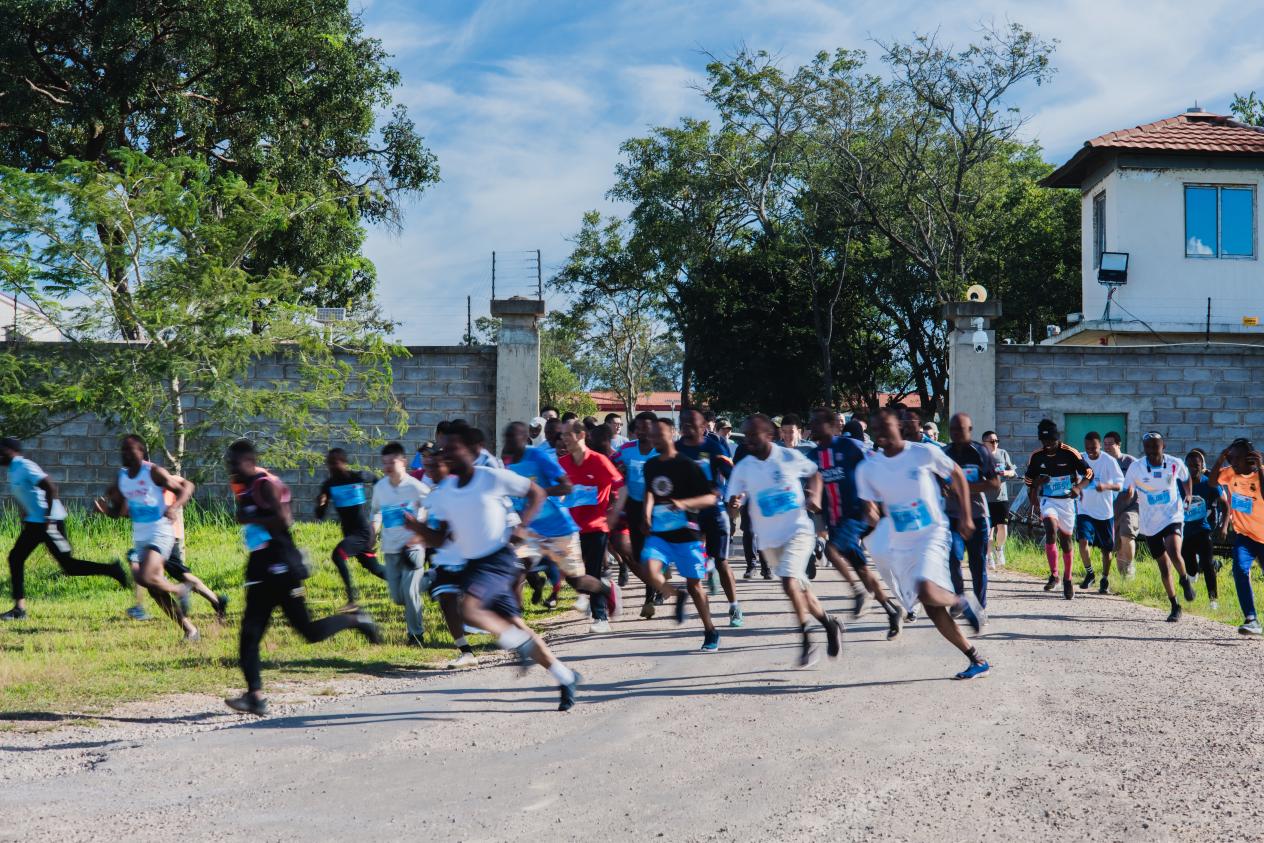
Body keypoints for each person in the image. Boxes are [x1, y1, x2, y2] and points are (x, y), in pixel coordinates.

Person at [407, 422, 583, 711]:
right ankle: (565, 676)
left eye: (453, 449)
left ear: (473, 450)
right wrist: (417, 528)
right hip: (474, 564)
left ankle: (519, 645)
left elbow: (537, 493)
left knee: (470, 611)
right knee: (518, 626)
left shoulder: (490, 477)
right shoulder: (446, 490)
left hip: (498, 559)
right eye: (444, 449)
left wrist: (523, 525)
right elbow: (442, 538)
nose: (446, 454)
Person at [225, 439, 381, 717]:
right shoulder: (245, 485)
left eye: (235, 464)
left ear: (249, 462)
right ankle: (255, 696)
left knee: (308, 632)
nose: (231, 469)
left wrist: (250, 517)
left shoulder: (264, 484)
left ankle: (355, 620)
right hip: (259, 565)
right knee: (249, 634)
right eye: (229, 464)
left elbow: (283, 520)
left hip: (282, 565)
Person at [855, 408, 989, 680]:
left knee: (925, 589)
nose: (880, 432)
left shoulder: (922, 453)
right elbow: (869, 507)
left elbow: (957, 475)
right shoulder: (868, 468)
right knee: (932, 609)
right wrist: (870, 519)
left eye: (885, 425)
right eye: (875, 428)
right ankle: (977, 659)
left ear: (899, 426)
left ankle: (963, 602)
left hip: (932, 534)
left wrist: (966, 515)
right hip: (901, 544)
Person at [728, 414, 842, 666]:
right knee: (802, 591)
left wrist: (814, 496)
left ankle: (806, 639)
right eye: (746, 436)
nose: (748, 440)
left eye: (753, 435)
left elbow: (815, 474)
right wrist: (734, 505)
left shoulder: (788, 457)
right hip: (769, 540)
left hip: (798, 531)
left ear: (770, 436)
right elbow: (734, 501)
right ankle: (829, 624)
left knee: (789, 582)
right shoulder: (744, 467)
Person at [501, 421, 614, 629]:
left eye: (513, 437)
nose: (508, 442)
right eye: (506, 437)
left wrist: (540, 493)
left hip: (559, 529)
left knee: (577, 581)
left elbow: (567, 486)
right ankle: (517, 628)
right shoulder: (506, 459)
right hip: (530, 529)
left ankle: (605, 589)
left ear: (525, 439)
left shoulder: (538, 456)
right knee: (516, 571)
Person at [0, 437, 127, 620]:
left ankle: (113, 570)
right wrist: (25, 514)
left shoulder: (25, 466)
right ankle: (19, 609)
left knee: (69, 566)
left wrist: (48, 518)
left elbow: (50, 487)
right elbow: (27, 493)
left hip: (50, 523)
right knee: (15, 558)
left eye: (1, 450)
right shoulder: (13, 470)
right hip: (35, 524)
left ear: (11, 450)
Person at [806, 408, 902, 638]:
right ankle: (892, 610)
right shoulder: (813, 456)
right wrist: (812, 499)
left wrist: (875, 503)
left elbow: (874, 467)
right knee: (862, 569)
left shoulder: (849, 447)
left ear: (831, 425)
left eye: (817, 422)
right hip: (835, 520)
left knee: (830, 550)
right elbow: (812, 484)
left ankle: (859, 592)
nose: (812, 426)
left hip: (856, 514)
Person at [94, 435, 201, 639]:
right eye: (123, 450)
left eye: (130, 450)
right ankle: (190, 630)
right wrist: (106, 510)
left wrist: (174, 507)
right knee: (154, 589)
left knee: (144, 577)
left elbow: (187, 488)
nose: (126, 454)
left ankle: (180, 589)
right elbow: (119, 512)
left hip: (160, 532)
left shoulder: (152, 472)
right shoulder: (122, 478)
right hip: (140, 537)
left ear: (141, 452)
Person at [641, 417, 721, 651]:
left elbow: (710, 498)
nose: (655, 439)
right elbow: (649, 492)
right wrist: (646, 513)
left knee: (695, 586)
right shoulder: (651, 465)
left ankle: (710, 631)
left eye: (659, 435)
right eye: (652, 435)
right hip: (660, 533)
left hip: (687, 534)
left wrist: (684, 504)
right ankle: (677, 595)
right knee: (649, 570)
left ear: (672, 434)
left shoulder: (687, 465)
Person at [1118, 431, 1197, 622]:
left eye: (1156, 446)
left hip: (1172, 515)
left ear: (1163, 446)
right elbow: (1127, 491)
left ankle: (1184, 579)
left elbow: (1186, 478)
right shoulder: (1136, 468)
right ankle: (1175, 605)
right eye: (1148, 447)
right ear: (1144, 448)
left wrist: (1188, 494)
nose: (1152, 450)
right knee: (1164, 567)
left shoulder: (1174, 463)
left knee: (1173, 551)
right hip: (1149, 522)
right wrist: (1122, 505)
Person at [676, 409, 743, 626]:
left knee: (722, 561)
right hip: (687, 514)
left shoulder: (713, 447)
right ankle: (708, 569)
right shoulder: (675, 449)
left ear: (703, 426)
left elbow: (732, 474)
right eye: (683, 423)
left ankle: (734, 606)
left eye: (691, 423)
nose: (687, 427)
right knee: (693, 561)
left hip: (714, 511)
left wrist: (735, 496)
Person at [559, 420, 626, 633]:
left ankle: (600, 618)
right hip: (571, 528)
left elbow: (621, 487)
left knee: (593, 572)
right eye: (562, 435)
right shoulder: (562, 463)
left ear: (581, 435)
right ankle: (606, 588)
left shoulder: (599, 461)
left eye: (567, 434)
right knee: (573, 576)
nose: (564, 439)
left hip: (596, 527)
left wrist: (614, 512)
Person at [416, 441, 478, 666]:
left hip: (467, 554)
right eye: (428, 466)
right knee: (447, 600)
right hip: (443, 556)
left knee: (471, 606)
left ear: (448, 465)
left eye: (435, 466)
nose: (430, 471)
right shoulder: (435, 492)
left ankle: (518, 637)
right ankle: (466, 652)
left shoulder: (457, 489)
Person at [1024, 419, 1093, 600]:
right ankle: (1054, 574)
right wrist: (1038, 483)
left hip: (1067, 502)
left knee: (1066, 541)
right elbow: (1028, 480)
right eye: (1044, 442)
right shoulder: (1037, 456)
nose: (1048, 445)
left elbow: (1089, 473)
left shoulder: (1070, 453)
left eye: (1051, 441)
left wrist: (1078, 488)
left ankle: (1067, 578)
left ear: (1057, 438)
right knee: (1050, 529)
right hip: (1048, 501)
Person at [371, 442, 429, 646]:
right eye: (385, 463)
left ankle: (416, 636)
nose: (387, 467)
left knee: (410, 593)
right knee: (398, 597)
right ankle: (431, 580)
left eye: (392, 462)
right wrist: (373, 533)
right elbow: (376, 512)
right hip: (390, 548)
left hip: (412, 547)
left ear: (403, 462)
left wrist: (421, 532)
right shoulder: (381, 487)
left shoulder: (415, 486)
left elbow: (432, 507)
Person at [315, 448, 385, 611]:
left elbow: (377, 480)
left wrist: (380, 503)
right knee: (376, 569)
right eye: (329, 463)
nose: (332, 467)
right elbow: (320, 516)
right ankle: (407, 581)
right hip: (350, 534)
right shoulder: (329, 485)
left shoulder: (357, 477)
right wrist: (320, 504)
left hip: (362, 533)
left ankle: (352, 600)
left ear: (344, 463)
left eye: (335, 463)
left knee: (338, 555)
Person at [943, 413, 999, 607]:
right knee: (952, 558)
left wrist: (964, 487)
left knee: (977, 564)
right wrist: (942, 487)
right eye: (953, 429)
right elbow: (936, 479)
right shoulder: (944, 453)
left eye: (960, 429)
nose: (956, 433)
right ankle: (960, 598)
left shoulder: (980, 452)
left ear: (970, 430)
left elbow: (995, 483)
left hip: (977, 516)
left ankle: (980, 607)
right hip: (952, 516)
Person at [1211, 440, 1264, 635]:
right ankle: (1251, 619)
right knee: (1240, 569)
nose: (1232, 462)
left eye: (1236, 458)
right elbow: (1212, 482)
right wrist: (1220, 459)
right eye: (1230, 458)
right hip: (1245, 536)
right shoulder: (1230, 473)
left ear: (1249, 458)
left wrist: (1260, 469)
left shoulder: (1261, 473)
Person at [610, 411, 661, 616]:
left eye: (645, 427)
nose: (641, 431)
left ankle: (650, 597)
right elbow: (609, 464)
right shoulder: (626, 449)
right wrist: (618, 470)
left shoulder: (661, 450)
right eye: (638, 427)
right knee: (639, 554)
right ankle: (655, 586)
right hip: (632, 507)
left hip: (658, 508)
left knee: (652, 553)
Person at [1075, 431, 1124, 594]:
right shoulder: (1080, 459)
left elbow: (1120, 485)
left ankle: (1104, 578)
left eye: (1094, 448)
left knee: (1106, 549)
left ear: (1100, 446)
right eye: (1087, 448)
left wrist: (1106, 486)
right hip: (1084, 510)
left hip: (1104, 512)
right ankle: (1090, 574)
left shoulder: (1109, 461)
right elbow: (1072, 476)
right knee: (1083, 541)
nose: (1090, 451)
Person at [1182, 448, 1221, 608]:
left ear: (1202, 466)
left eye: (1196, 466)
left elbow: (1225, 503)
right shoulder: (1180, 483)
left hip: (1204, 528)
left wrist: (1225, 524)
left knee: (1207, 564)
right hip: (1185, 530)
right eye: (1189, 466)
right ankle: (1194, 571)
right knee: (1190, 566)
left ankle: (1213, 600)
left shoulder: (1209, 483)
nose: (1192, 469)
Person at [1104, 431, 1140, 578]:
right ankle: (1124, 579)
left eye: (1110, 444)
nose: (1107, 447)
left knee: (1127, 534)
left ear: (1119, 445)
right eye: (1105, 444)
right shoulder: (1103, 463)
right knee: (1118, 546)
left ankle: (1130, 565)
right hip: (1111, 510)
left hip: (1131, 507)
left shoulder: (1131, 462)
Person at [981, 431, 1015, 570]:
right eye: (991, 441)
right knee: (989, 530)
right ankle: (989, 557)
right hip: (986, 498)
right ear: (984, 443)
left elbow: (1012, 471)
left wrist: (1006, 472)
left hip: (1001, 497)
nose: (995, 443)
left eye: (996, 440)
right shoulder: (981, 456)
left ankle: (999, 549)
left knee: (1003, 528)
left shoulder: (1003, 453)